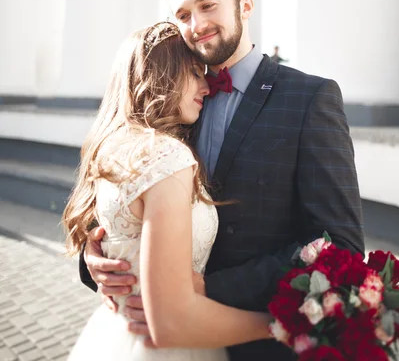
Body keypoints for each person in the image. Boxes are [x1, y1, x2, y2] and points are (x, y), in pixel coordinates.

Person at [81, 0, 365, 361]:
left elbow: (340, 244)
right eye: (182, 14)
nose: (196, 24)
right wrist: (98, 257)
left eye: (207, 5)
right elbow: (132, 195)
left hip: (264, 340)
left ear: (245, 6)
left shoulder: (310, 98)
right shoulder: (174, 100)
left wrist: (210, 289)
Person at [63, 21, 279, 361]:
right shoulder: (167, 154)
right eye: (194, 73)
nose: (207, 87)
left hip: (114, 335)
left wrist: (100, 253)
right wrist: (279, 328)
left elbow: (121, 233)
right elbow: (172, 321)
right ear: (161, 76)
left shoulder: (113, 147)